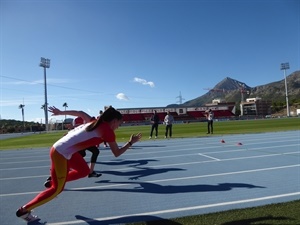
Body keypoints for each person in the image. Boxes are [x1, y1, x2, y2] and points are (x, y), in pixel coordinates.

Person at [16, 106, 142, 223]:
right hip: (60, 152)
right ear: (114, 120)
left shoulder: (94, 121)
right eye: (119, 124)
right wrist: (130, 143)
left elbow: (80, 113)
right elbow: (117, 153)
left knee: (84, 171)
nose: (118, 127)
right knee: (56, 190)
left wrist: (61, 113)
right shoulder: (107, 131)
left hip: (63, 149)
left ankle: (54, 181)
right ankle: (23, 211)